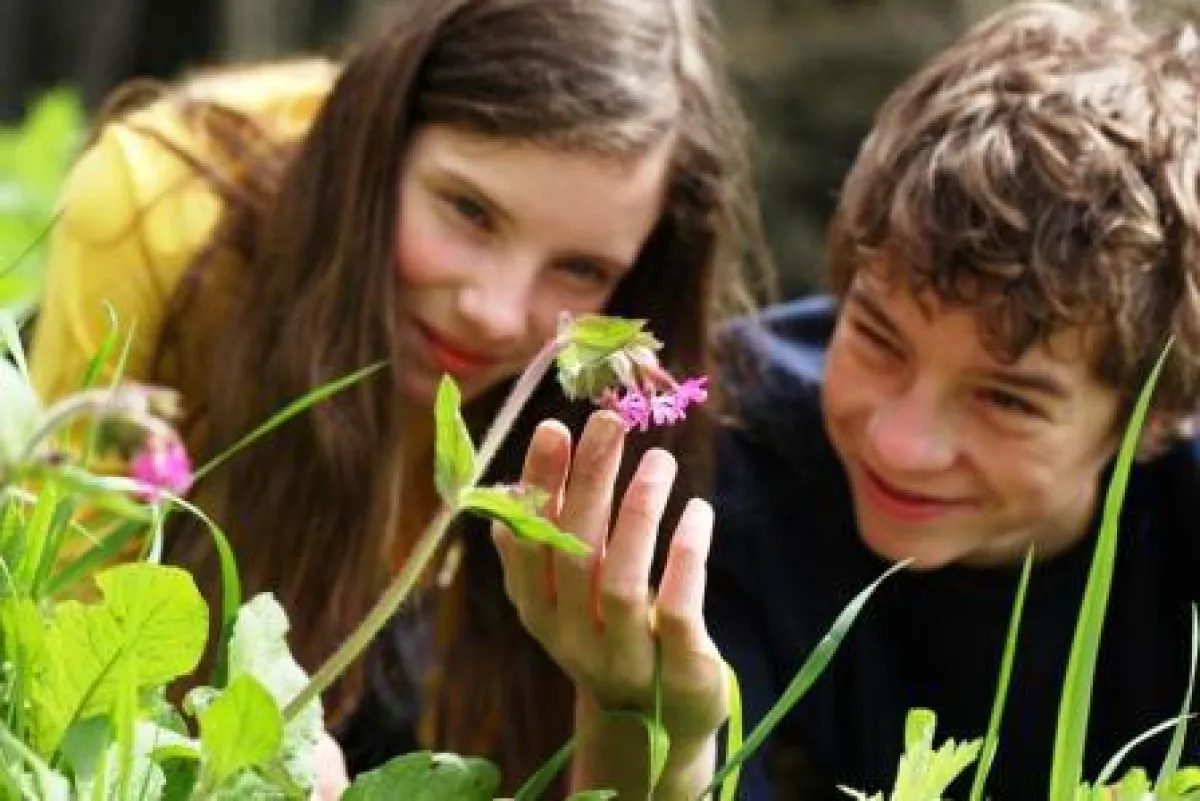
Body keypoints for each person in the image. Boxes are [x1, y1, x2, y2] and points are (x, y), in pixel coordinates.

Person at [28, 0, 770, 795]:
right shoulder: (160, 202)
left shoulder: (565, 404)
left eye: (581, 270)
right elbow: (58, 646)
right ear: (383, 141)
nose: (493, 309)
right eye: (470, 211)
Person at [700, 1, 1200, 797]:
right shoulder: (727, 456)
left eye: (1006, 399)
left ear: (1156, 418)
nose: (901, 443)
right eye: (875, 337)